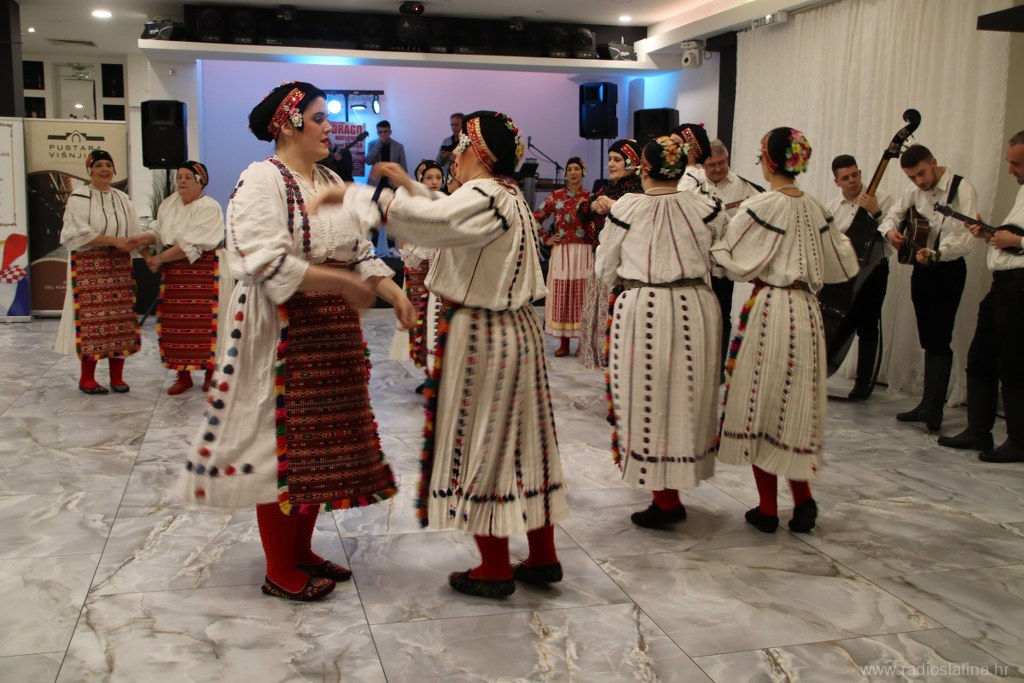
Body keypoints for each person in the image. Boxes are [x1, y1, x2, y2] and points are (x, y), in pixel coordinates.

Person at [177, 81, 416, 602]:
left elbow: (358, 252)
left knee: (318, 446)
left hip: (332, 331)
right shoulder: (260, 179)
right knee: (280, 445)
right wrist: (340, 284)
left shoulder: (330, 180)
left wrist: (394, 292)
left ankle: (302, 550)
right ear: (288, 124)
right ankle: (279, 567)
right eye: (320, 118)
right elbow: (263, 260)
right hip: (281, 326)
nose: (330, 127)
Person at [343, 110, 569, 598]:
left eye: (460, 147)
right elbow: (449, 212)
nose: (453, 156)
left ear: (477, 152)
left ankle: (494, 568)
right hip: (514, 330)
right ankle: (542, 554)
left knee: (484, 442)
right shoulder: (506, 194)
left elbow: (437, 223)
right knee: (523, 444)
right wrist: (411, 186)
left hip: (485, 332)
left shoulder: (485, 195)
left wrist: (356, 195)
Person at [712, 127, 858, 534]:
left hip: (772, 307)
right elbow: (844, 263)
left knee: (761, 402)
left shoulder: (762, 205)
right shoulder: (815, 206)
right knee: (796, 406)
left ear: (771, 161)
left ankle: (767, 509)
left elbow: (730, 255)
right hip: (808, 311)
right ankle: (804, 498)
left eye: (762, 156)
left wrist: (713, 237)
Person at [596, 136, 727, 529]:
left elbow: (604, 268)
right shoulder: (706, 206)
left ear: (646, 169)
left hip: (645, 306)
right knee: (687, 396)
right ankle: (673, 489)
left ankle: (665, 499)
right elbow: (724, 259)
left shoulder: (628, 207)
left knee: (647, 397)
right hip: (696, 306)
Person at [938, 131, 1024, 462]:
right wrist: (991, 234)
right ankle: (978, 431)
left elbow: (1018, 241)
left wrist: (1016, 242)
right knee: (980, 357)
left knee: (1014, 364)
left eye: (1016, 164)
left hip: (1020, 288)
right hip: (1002, 285)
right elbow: (1013, 236)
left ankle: (1019, 440)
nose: (1011, 170)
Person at [879, 144, 977, 431]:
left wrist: (938, 253)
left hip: (948, 268)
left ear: (933, 162)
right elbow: (891, 216)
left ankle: (934, 408)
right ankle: (926, 403)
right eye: (912, 177)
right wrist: (891, 231)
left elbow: (965, 236)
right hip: (921, 268)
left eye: (921, 173)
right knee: (927, 336)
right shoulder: (913, 191)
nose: (919, 181)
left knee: (940, 335)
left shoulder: (961, 189)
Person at [54, 149, 142, 394]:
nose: (105, 169)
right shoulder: (79, 197)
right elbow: (77, 234)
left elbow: (134, 232)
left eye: (108, 165)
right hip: (89, 265)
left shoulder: (123, 199)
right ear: (90, 171)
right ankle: (87, 379)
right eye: (99, 165)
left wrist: (149, 256)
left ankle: (117, 378)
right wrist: (114, 241)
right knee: (93, 322)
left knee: (120, 322)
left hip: (120, 266)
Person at [133, 161, 224, 395]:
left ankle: (210, 375)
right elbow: (159, 231)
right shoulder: (169, 203)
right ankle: (183, 376)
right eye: (180, 177)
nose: (182, 181)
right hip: (174, 273)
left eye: (188, 177)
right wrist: (142, 239)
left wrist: (158, 259)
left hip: (203, 272)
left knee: (206, 325)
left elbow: (189, 246)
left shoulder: (209, 207)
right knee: (175, 326)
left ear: (201, 182)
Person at [678, 137, 764, 373]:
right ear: (703, 165)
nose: (717, 169)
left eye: (721, 163)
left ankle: (716, 370)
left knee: (721, 313)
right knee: (693, 314)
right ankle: (693, 366)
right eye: (712, 164)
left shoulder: (744, 187)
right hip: (694, 261)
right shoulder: (691, 183)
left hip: (722, 263)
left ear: (727, 159)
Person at [826, 154, 895, 400]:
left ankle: (863, 383)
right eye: (845, 178)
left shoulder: (883, 198)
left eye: (855, 175)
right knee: (838, 321)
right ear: (837, 182)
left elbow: (893, 236)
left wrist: (876, 212)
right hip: (843, 272)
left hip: (874, 271)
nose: (852, 181)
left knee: (868, 325)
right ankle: (822, 370)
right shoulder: (832, 207)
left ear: (861, 173)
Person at [576, 138, 644, 369]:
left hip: (624, 264)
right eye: (610, 159)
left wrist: (614, 205)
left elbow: (639, 218)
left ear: (631, 162)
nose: (611, 164)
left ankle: (618, 361)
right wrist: (593, 206)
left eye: (617, 160)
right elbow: (582, 211)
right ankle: (599, 356)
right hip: (601, 259)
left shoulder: (638, 190)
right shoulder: (604, 188)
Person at [389, 159, 444, 388]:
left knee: (438, 320)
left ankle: (438, 373)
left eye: (438, 177)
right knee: (421, 321)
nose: (434, 182)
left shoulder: (446, 201)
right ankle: (428, 373)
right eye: (429, 177)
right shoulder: (411, 201)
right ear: (420, 180)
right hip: (417, 267)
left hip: (440, 268)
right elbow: (400, 231)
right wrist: (407, 256)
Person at [533, 157, 594, 357]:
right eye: (570, 169)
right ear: (566, 173)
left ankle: (583, 342)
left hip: (584, 252)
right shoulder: (556, 196)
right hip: (562, 253)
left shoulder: (590, 198)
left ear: (583, 172)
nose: (573, 172)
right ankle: (564, 342)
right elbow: (535, 218)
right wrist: (546, 239)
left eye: (577, 169)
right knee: (563, 293)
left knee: (582, 294)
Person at [366, 120, 408, 186]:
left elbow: (404, 168)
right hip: (376, 182)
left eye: (385, 131)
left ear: (390, 132)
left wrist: (396, 177)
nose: (383, 134)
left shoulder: (399, 147)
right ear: (377, 133)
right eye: (380, 132)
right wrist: (378, 146)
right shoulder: (372, 144)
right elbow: (368, 162)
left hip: (393, 182)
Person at [436, 112, 464, 178]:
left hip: (461, 178)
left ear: (463, 125)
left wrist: (456, 159)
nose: (453, 127)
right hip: (446, 177)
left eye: (456, 125)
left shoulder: (468, 142)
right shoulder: (446, 141)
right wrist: (441, 157)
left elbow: (471, 165)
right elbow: (438, 163)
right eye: (452, 125)